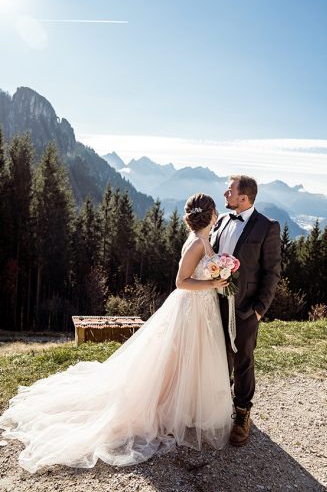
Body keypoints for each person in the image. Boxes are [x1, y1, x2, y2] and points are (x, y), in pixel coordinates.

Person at [0, 193, 232, 473]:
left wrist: (219, 277)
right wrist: (212, 283)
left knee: (189, 358)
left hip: (201, 309)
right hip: (189, 307)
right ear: (210, 214)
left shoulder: (205, 239)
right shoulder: (196, 242)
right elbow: (181, 282)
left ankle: (186, 408)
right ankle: (166, 408)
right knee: (175, 358)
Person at [211, 175, 281, 447]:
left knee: (242, 360)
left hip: (245, 308)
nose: (225, 193)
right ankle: (217, 407)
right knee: (217, 356)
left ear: (244, 197)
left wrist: (259, 310)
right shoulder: (222, 221)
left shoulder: (267, 227)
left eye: (230, 190)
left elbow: (272, 272)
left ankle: (242, 414)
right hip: (213, 303)